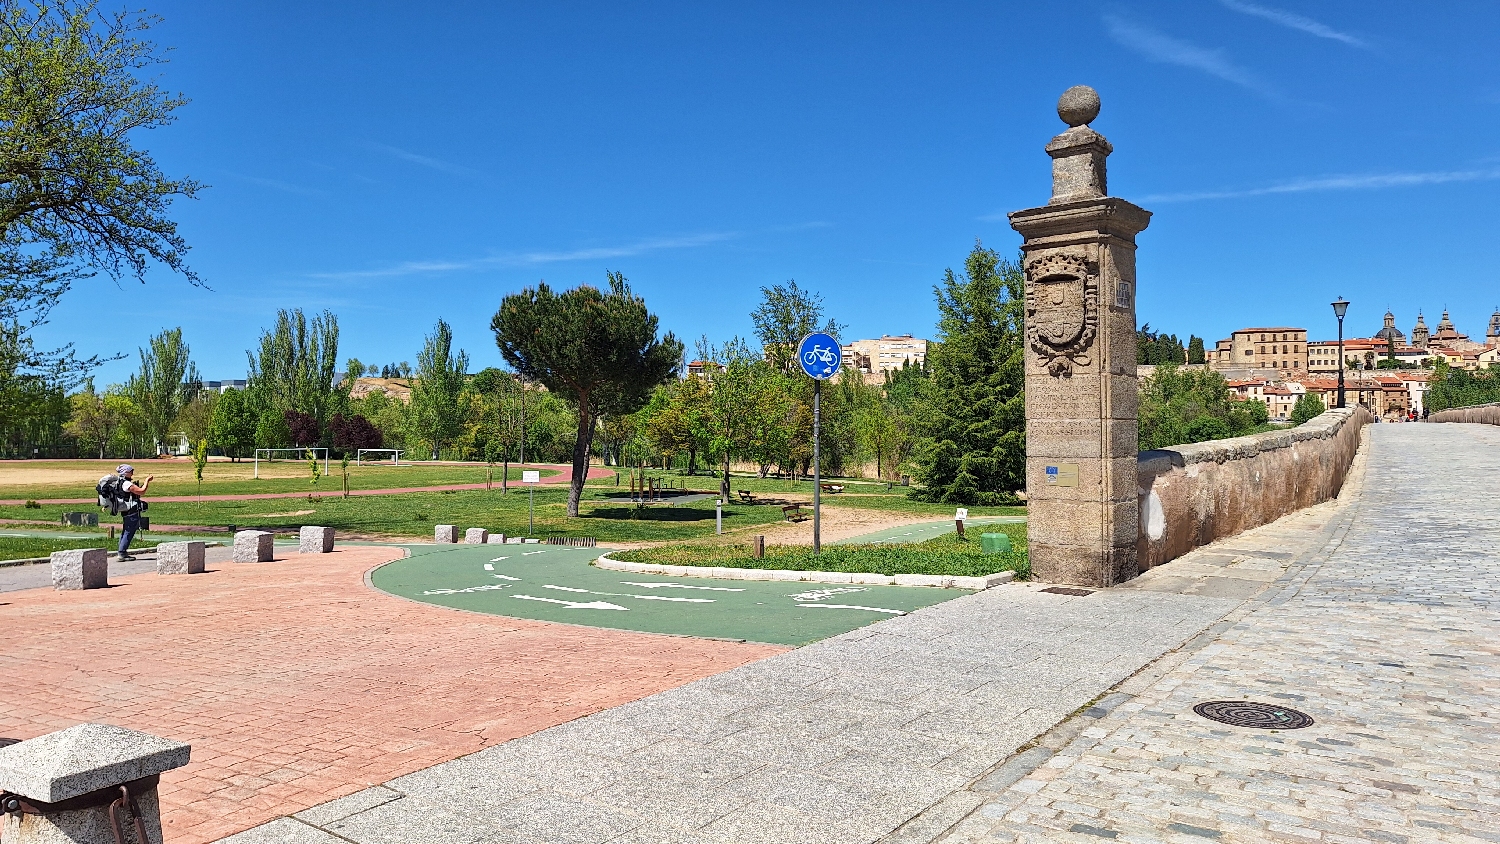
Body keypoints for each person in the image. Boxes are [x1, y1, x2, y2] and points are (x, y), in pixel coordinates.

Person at [115, 464, 153, 561]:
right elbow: (142, 491)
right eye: (131, 471)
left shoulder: (119, 482)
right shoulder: (126, 484)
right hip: (131, 511)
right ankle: (122, 553)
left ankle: (121, 551)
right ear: (126, 472)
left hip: (126, 510)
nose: (132, 473)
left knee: (126, 530)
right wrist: (147, 481)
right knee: (129, 531)